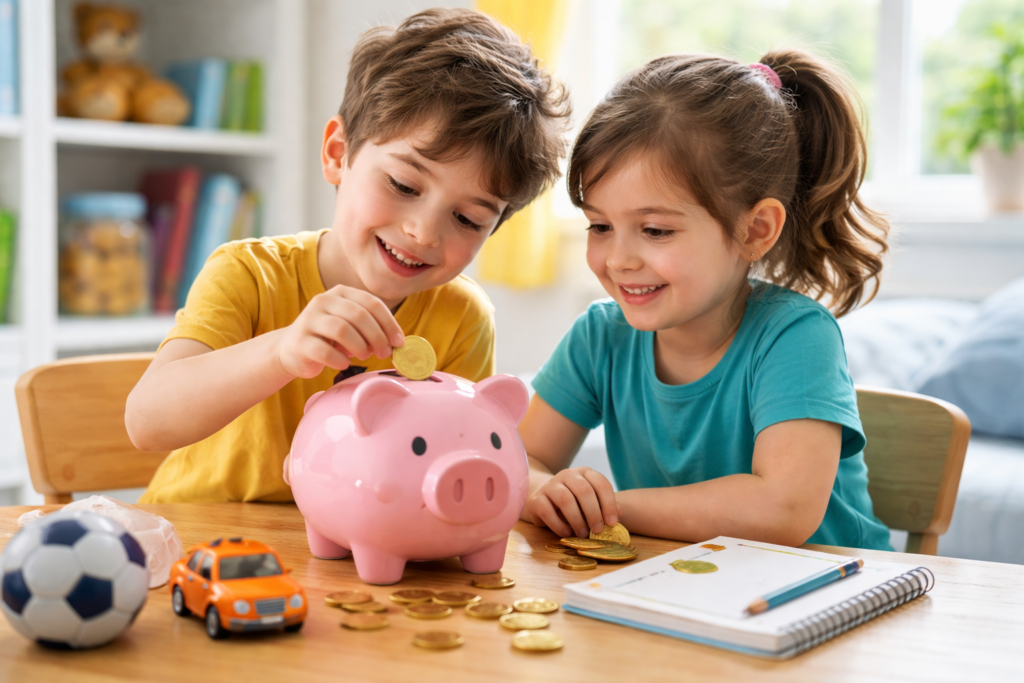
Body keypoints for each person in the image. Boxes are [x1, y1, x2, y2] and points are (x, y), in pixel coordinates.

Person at [126, 8, 570, 503]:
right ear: (339, 154)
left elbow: (456, 458)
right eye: (403, 184)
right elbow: (147, 422)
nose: (423, 232)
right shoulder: (248, 274)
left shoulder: (461, 317)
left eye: (467, 219)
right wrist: (281, 351)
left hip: (352, 559)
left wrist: (534, 490)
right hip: (204, 543)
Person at [520, 51, 893, 549]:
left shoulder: (796, 337)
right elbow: (517, 462)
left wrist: (607, 507)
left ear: (754, 230)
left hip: (834, 598)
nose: (619, 260)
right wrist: (547, 491)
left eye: (655, 230)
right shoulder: (600, 336)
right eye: (600, 226)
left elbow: (783, 510)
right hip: (682, 589)